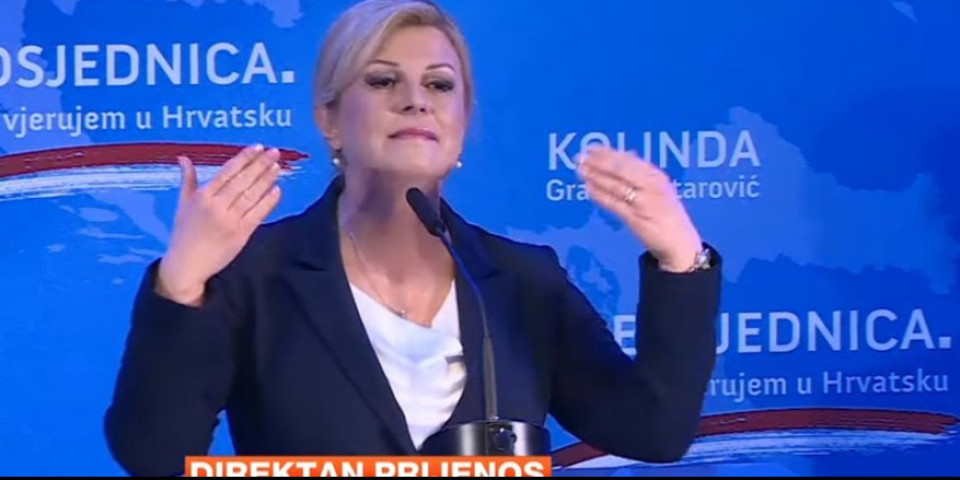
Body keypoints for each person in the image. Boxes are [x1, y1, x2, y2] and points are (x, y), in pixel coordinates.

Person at [103, 0, 721, 476]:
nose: (415, 101)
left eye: (439, 85)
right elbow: (153, 457)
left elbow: (653, 432)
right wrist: (182, 281)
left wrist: (679, 255)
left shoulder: (523, 281)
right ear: (329, 119)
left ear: (462, 121)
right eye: (382, 81)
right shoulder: (256, 275)